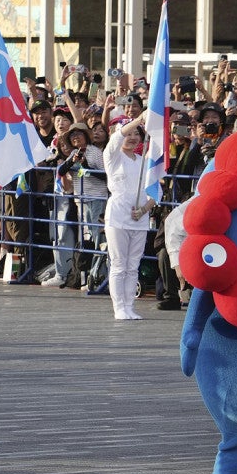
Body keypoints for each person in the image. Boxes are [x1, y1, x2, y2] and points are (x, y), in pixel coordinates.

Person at [104, 110, 154, 320]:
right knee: (119, 263)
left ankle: (130, 305)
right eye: (128, 134)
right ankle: (119, 307)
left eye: (137, 134)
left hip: (140, 218)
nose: (132, 137)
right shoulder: (112, 156)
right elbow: (117, 138)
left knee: (133, 265)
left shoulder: (142, 160)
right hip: (117, 216)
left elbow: (154, 192)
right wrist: (139, 119)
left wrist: (143, 210)